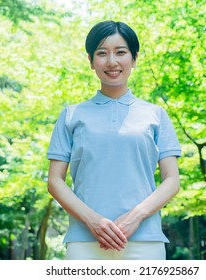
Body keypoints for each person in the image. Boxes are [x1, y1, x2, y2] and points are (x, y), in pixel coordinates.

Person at [47, 20, 181, 260]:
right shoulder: (71, 115)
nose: (111, 62)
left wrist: (134, 217)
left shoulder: (156, 114)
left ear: (134, 58)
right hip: (84, 242)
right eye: (101, 53)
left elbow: (171, 180)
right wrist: (94, 221)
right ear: (91, 61)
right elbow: (55, 181)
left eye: (120, 52)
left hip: (144, 241)